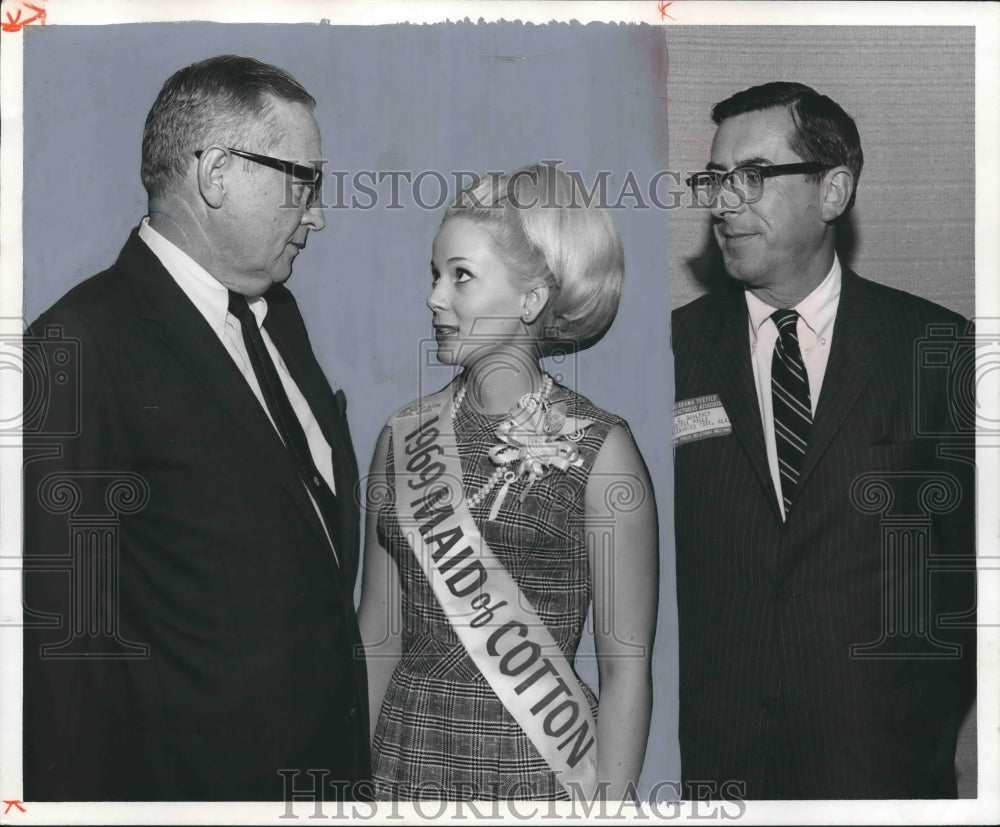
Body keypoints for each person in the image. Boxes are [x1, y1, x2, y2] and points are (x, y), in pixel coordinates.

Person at [22, 55, 369, 801]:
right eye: (303, 181)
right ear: (216, 174)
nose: (317, 214)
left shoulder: (278, 316)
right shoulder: (77, 344)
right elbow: (63, 659)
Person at [673, 81, 976, 799]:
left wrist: (935, 722)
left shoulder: (937, 350)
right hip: (716, 768)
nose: (723, 203)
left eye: (752, 176)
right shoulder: (668, 352)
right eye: (715, 179)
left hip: (880, 766)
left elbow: (975, 572)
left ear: (832, 190)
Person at [358, 164, 658, 801]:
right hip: (404, 764)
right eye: (435, 275)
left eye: (461, 276)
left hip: (537, 773)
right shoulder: (401, 437)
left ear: (530, 300)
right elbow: (375, 641)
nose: (435, 297)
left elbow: (626, 671)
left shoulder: (602, 452)